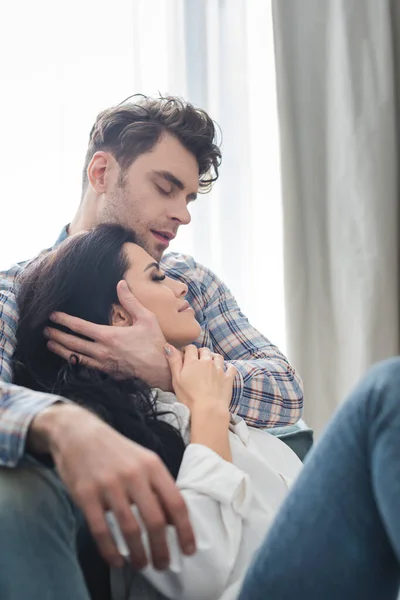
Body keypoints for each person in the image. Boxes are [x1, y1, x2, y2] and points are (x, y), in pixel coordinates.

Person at [0, 95, 303, 599]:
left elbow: (285, 391)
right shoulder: (18, 292)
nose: (182, 214)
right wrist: (61, 422)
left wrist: (168, 370)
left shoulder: (192, 280)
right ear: (101, 172)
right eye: (166, 188)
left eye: (189, 198)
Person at [238, 357, 400, 600]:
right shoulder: (174, 415)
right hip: (243, 569)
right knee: (388, 388)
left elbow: (288, 385)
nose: (199, 315)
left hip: (287, 527)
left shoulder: (199, 356)